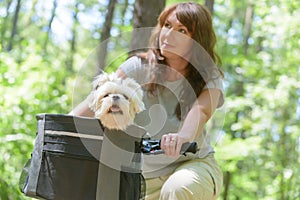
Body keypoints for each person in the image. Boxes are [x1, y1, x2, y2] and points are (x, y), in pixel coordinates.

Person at [71, 2, 224, 200]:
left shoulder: (209, 76)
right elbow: (99, 99)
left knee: (177, 188)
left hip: (193, 166)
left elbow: (201, 110)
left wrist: (183, 137)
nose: (168, 35)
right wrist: (59, 128)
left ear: (197, 40)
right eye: (167, 26)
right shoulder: (138, 67)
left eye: (182, 30)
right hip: (144, 177)